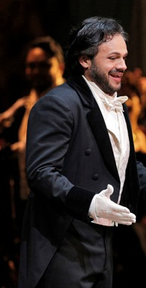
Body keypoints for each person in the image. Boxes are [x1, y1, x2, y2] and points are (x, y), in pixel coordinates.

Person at [18, 16, 146, 288]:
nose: (123, 66)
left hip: (102, 246)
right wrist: (89, 203)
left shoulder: (117, 105)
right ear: (85, 60)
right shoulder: (57, 104)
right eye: (113, 58)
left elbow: (125, 167)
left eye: (124, 57)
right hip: (63, 246)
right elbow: (42, 174)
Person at [0, 36, 65, 285]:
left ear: (59, 66)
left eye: (42, 65)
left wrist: (17, 150)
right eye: (31, 66)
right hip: (30, 200)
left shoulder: (65, 100)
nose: (35, 72)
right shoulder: (27, 103)